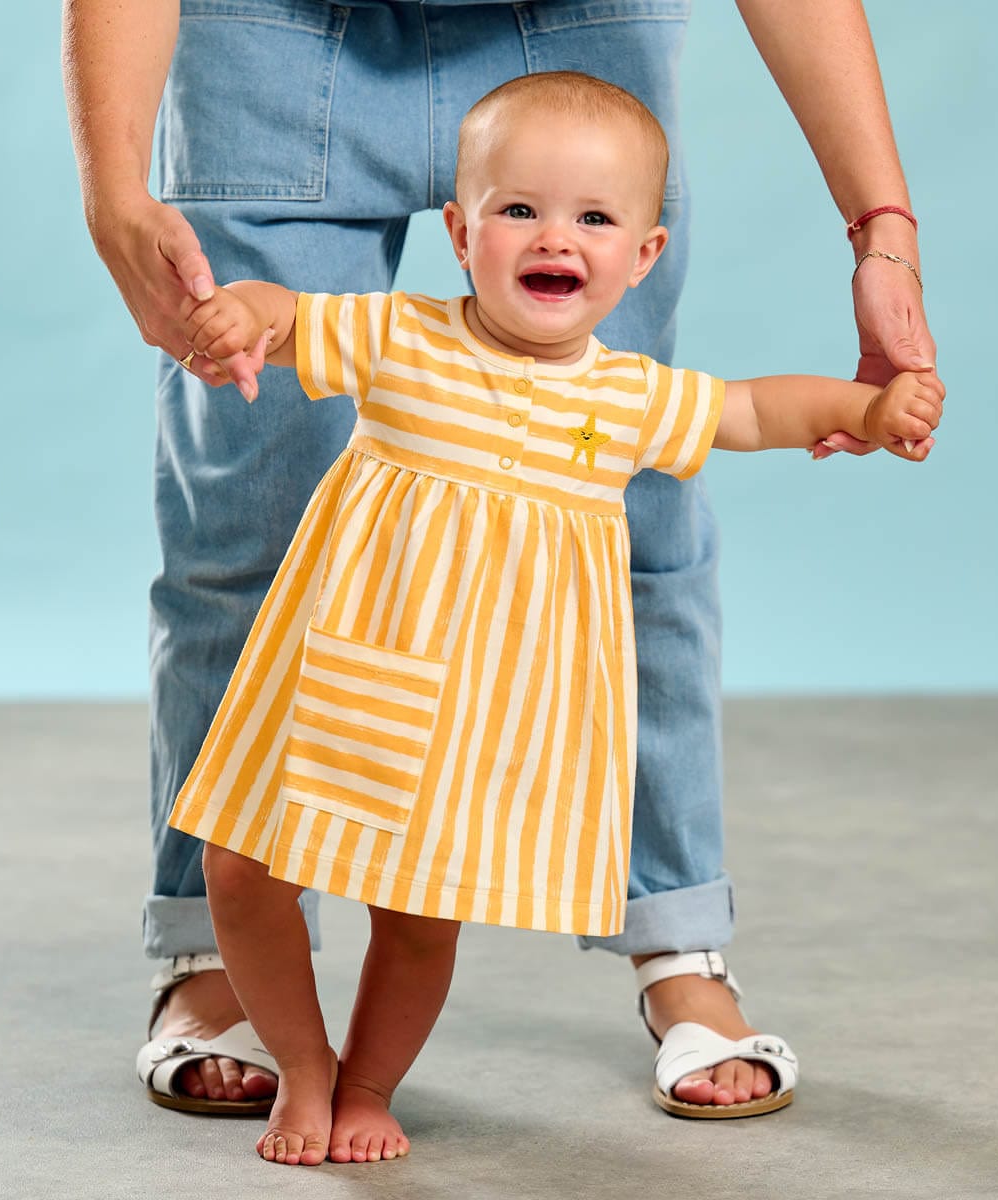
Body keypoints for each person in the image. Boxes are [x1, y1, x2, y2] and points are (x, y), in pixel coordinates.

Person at [61, 0, 938, 1121]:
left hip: (574, 22)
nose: (550, 239)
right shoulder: (401, 343)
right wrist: (117, 191)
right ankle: (210, 947)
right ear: (463, 232)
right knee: (245, 515)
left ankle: (674, 938)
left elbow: (748, 409)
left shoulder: (627, 388)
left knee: (650, 533)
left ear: (644, 245)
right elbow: (282, 325)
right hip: (271, 32)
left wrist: (880, 249)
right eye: (514, 217)